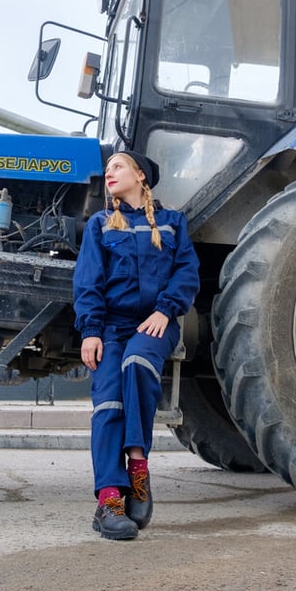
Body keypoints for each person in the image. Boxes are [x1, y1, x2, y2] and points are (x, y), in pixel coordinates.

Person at [72, 150, 201, 540]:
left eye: (118, 166)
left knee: (138, 364)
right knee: (108, 400)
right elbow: (88, 279)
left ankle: (138, 465)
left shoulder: (172, 222)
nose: (109, 172)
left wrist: (166, 310)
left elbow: (186, 272)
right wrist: (91, 330)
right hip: (111, 326)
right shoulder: (99, 224)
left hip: (155, 323)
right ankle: (109, 500)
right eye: (108, 168)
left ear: (140, 175)